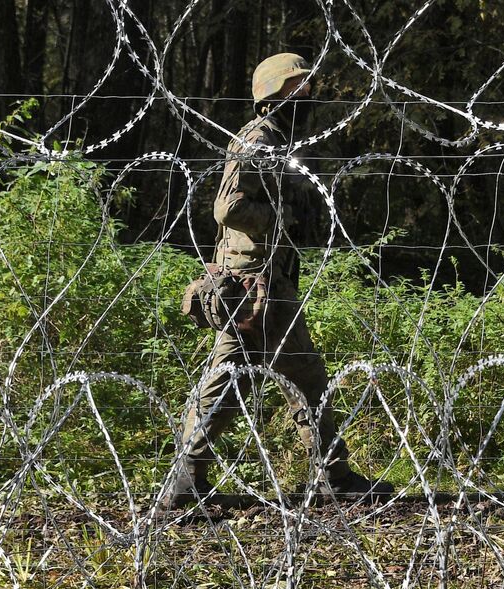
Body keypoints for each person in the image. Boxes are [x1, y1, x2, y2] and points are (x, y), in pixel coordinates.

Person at [163, 53, 394, 506]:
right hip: (254, 285)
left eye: (307, 84)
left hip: (267, 280)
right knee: (248, 378)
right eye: (296, 86)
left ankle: (328, 473)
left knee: (286, 376)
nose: (306, 93)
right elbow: (227, 208)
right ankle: (191, 480)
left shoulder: (279, 140)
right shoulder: (258, 138)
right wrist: (280, 218)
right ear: (272, 93)